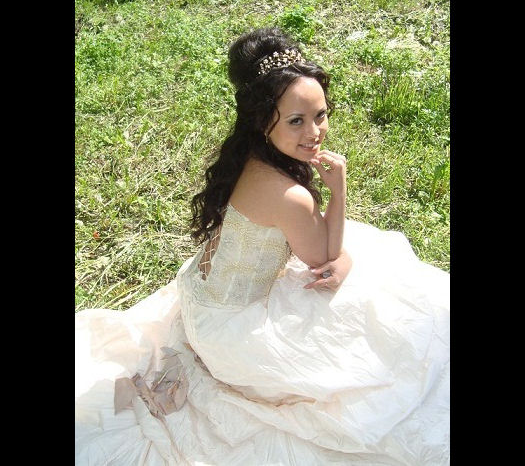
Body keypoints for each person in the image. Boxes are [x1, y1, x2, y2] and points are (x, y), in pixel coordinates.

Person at [75, 27, 450, 465]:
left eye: (321, 115)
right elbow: (325, 259)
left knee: (377, 278)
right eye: (296, 121)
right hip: (228, 331)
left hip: (200, 296)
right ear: (262, 119)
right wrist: (339, 190)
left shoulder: (247, 157)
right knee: (375, 329)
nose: (315, 132)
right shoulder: (289, 196)